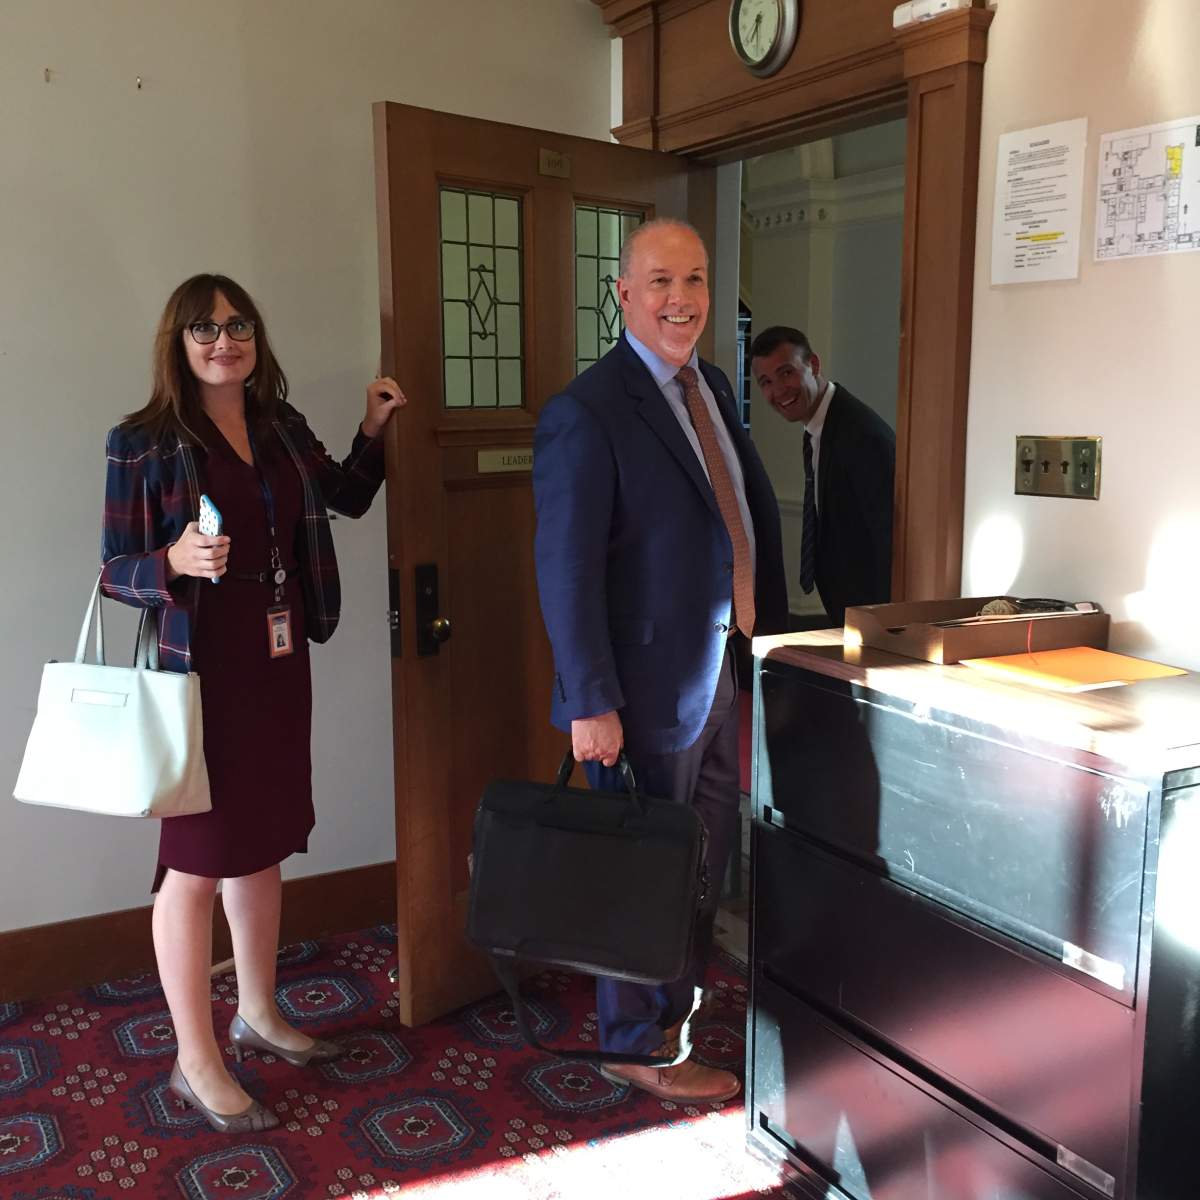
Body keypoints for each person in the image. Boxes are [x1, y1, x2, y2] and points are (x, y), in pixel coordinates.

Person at [100, 274, 405, 1133]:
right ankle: (194, 1058)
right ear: (179, 342)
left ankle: (260, 1013)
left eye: (237, 326)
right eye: (204, 329)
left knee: (263, 843)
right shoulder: (143, 442)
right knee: (194, 862)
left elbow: (343, 495)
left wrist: (374, 429)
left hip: (274, 663)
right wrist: (171, 564)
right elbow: (111, 569)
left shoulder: (279, 423)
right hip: (198, 673)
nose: (223, 341)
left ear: (255, 337)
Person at [532, 219, 787, 1103]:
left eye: (697, 280)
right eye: (661, 282)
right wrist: (588, 701)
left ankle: (669, 1015)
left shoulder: (709, 384)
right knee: (645, 869)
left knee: (700, 858)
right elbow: (565, 572)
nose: (682, 299)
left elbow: (734, 520)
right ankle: (636, 1045)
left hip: (726, 669)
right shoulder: (588, 409)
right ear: (623, 296)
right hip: (641, 692)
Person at [750, 326, 895, 627]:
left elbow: (884, 536)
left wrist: (877, 625)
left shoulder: (859, 434)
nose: (778, 391)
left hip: (870, 616)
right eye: (766, 382)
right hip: (846, 610)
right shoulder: (821, 425)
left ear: (813, 365)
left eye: (787, 373)